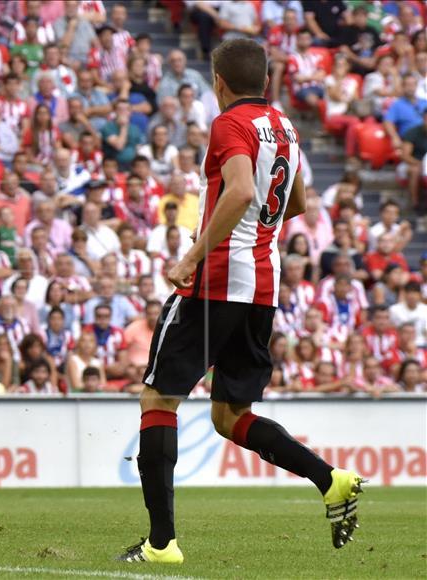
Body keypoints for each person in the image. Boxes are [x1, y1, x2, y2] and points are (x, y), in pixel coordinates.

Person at [119, 39, 363, 565]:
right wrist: (257, 232)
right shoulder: (286, 127)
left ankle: (161, 545)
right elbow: (295, 201)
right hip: (261, 285)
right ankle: (331, 479)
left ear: (218, 82)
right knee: (229, 416)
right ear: (268, 82)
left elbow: (237, 191)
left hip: (217, 278)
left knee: (158, 400)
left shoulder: (230, 124)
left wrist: (193, 256)